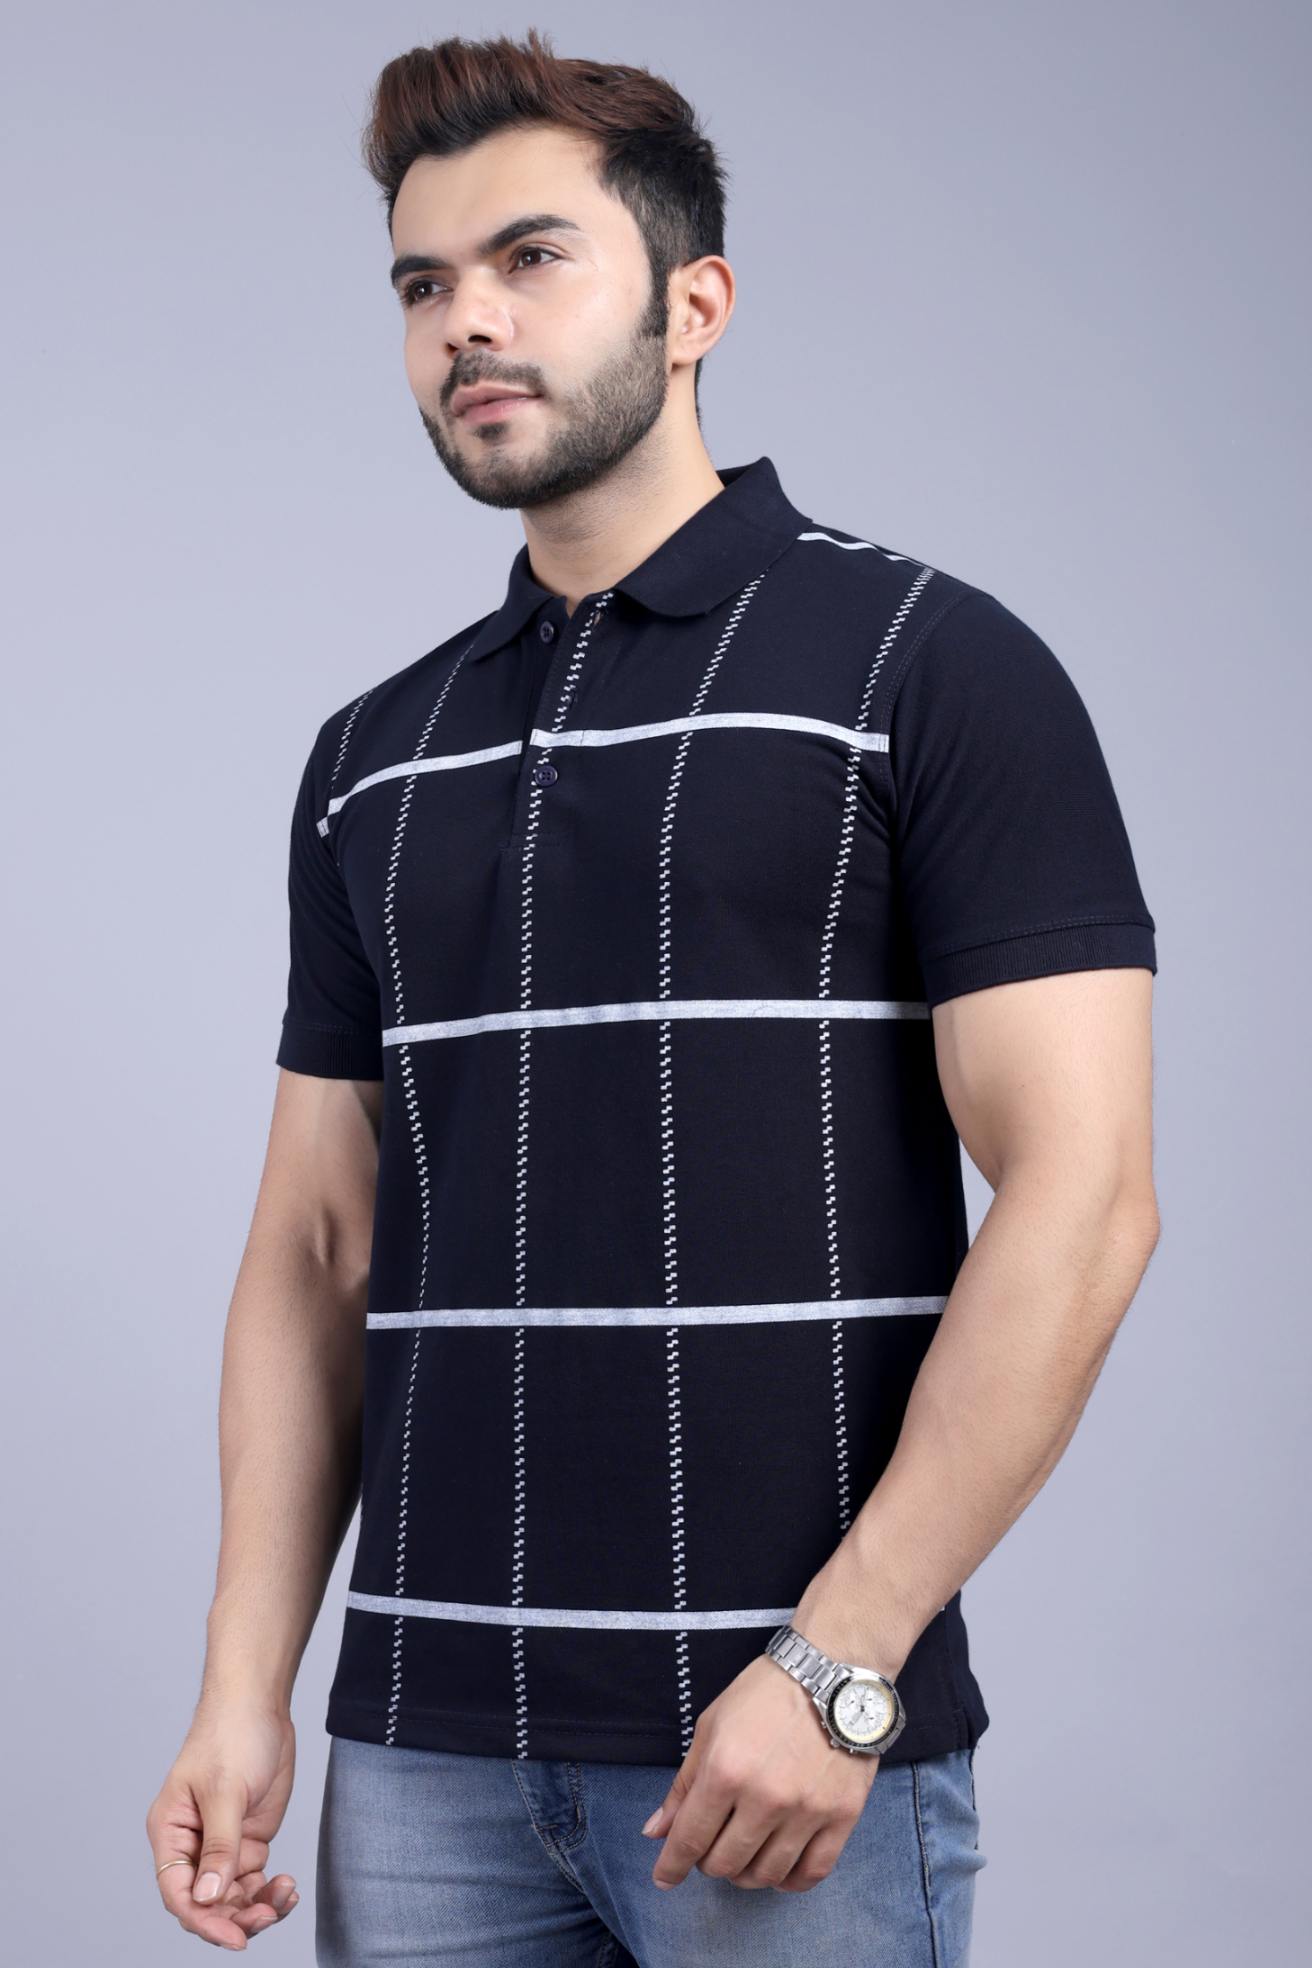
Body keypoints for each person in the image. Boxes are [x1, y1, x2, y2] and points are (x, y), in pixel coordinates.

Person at [145, 26, 1161, 1965]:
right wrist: (240, 1685)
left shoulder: (927, 667)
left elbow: (1087, 1195)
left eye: (530, 258)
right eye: (422, 284)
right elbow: (314, 1248)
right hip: (420, 1754)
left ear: (695, 305)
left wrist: (840, 1665)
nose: (466, 320)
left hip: (775, 1746)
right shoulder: (372, 756)